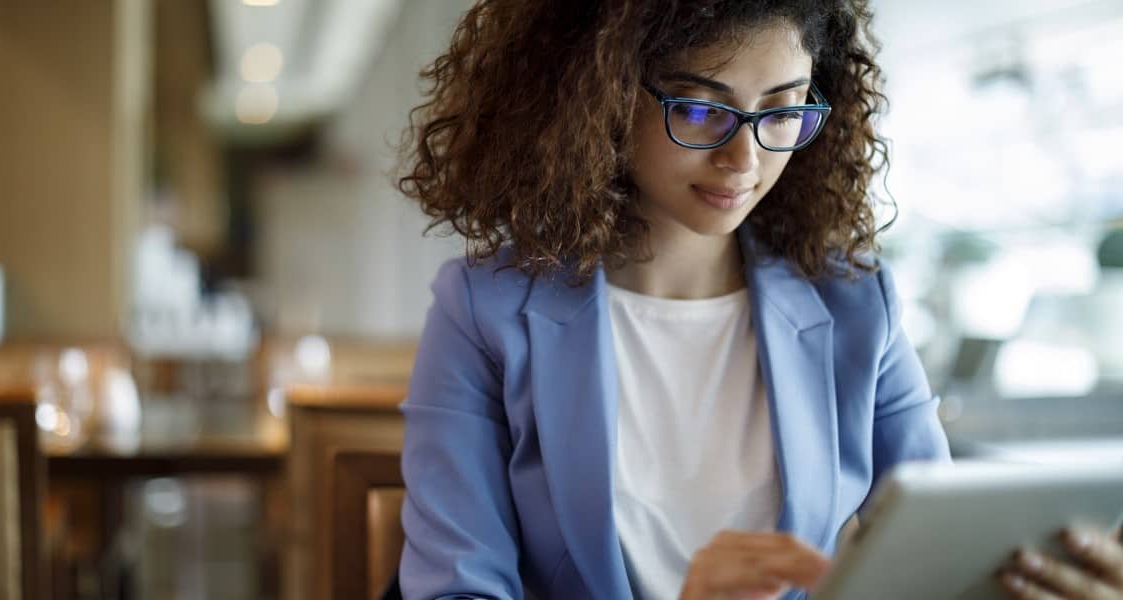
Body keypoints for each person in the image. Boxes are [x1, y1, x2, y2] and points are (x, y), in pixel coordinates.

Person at [394, 1, 1123, 599]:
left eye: (782, 111)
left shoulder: (858, 306)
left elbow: (936, 569)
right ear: (600, 98)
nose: (745, 160)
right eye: (704, 110)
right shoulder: (482, 312)